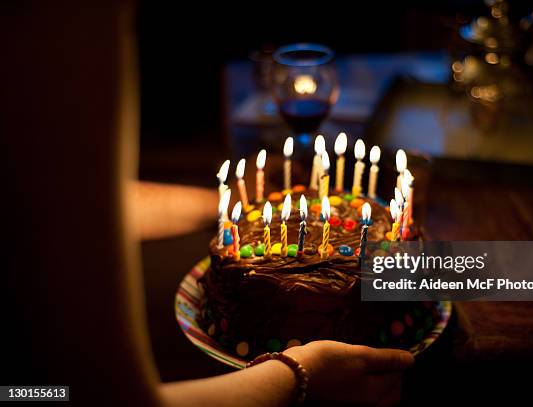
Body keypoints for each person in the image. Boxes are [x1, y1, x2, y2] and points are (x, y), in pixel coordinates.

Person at [1, 2, 413, 406]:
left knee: (458, 277)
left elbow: (64, 207)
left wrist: (217, 202)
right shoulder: (57, 18)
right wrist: (297, 378)